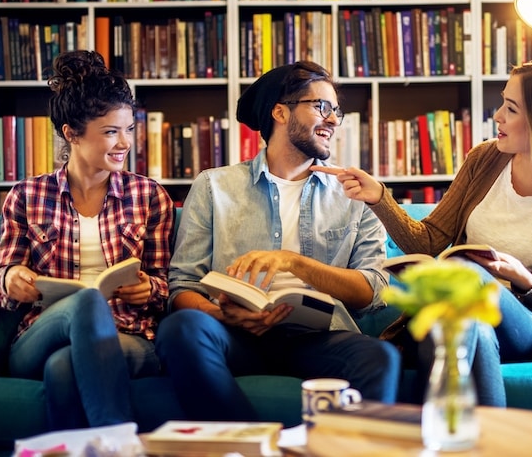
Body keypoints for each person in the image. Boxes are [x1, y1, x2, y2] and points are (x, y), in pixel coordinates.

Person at [313, 60, 532, 404]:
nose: (498, 117)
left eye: (511, 108)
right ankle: (470, 441)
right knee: (464, 323)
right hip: (461, 314)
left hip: (529, 327)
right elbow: (427, 240)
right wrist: (379, 198)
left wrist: (522, 277)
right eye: (503, 103)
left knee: (467, 275)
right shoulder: (484, 160)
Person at [156, 61, 401, 420]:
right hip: (234, 336)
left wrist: (295, 263)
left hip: (317, 338)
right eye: (322, 107)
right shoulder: (214, 186)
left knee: (380, 357)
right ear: (280, 112)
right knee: (180, 329)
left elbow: (373, 290)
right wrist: (223, 315)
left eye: (336, 111)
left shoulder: (354, 193)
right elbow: (182, 286)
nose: (333, 120)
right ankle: (246, 442)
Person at [0, 50, 174, 429]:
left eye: (129, 129)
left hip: (127, 334)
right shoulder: (26, 196)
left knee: (62, 369)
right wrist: (10, 280)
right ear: (71, 133)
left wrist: (149, 290)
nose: (124, 143)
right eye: (110, 131)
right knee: (87, 301)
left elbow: (168, 284)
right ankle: (120, 446)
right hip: (41, 334)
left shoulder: (150, 196)